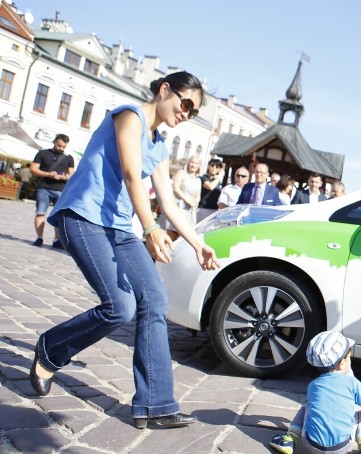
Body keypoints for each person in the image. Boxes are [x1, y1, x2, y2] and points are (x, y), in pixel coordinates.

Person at [29, 71, 220, 431]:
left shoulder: (161, 147)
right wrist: (150, 229)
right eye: (186, 104)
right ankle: (52, 348)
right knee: (120, 307)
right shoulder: (128, 115)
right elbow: (133, 175)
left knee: (155, 301)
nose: (186, 114)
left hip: (118, 227)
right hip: (82, 217)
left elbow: (168, 201)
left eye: (193, 113)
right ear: (165, 90)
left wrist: (198, 243)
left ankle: (156, 404)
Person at [269, 331, 361, 454]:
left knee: (306, 407)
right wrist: (359, 416)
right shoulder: (353, 383)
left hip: (311, 445)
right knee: (358, 410)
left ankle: (289, 439)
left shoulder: (313, 385)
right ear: (342, 363)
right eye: (349, 358)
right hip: (342, 447)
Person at [29, 134, 75, 249]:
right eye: (59, 145)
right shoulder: (42, 154)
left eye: (63, 147)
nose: (61, 148)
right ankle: (39, 238)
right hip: (44, 187)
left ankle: (57, 239)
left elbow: (71, 175)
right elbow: (33, 169)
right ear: (54, 142)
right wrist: (48, 174)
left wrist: (64, 177)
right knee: (40, 212)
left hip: (60, 189)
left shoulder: (69, 158)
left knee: (59, 215)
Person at [164, 155, 202, 239]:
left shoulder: (198, 180)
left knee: (184, 237)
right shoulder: (181, 173)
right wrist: (186, 200)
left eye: (196, 163)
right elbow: (175, 188)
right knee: (172, 234)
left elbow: (198, 196)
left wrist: (194, 202)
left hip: (189, 210)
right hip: (179, 205)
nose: (194, 165)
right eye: (192, 162)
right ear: (188, 163)